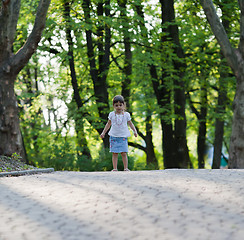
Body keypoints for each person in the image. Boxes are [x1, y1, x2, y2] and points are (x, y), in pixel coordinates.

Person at [100, 95, 138, 171]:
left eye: (120, 105)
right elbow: (108, 124)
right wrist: (103, 132)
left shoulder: (126, 115)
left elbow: (130, 123)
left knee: (124, 153)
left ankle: (126, 168)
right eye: (116, 105)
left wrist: (135, 131)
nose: (119, 107)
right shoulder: (111, 114)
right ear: (113, 106)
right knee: (114, 153)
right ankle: (115, 168)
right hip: (113, 136)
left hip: (123, 136)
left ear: (124, 105)